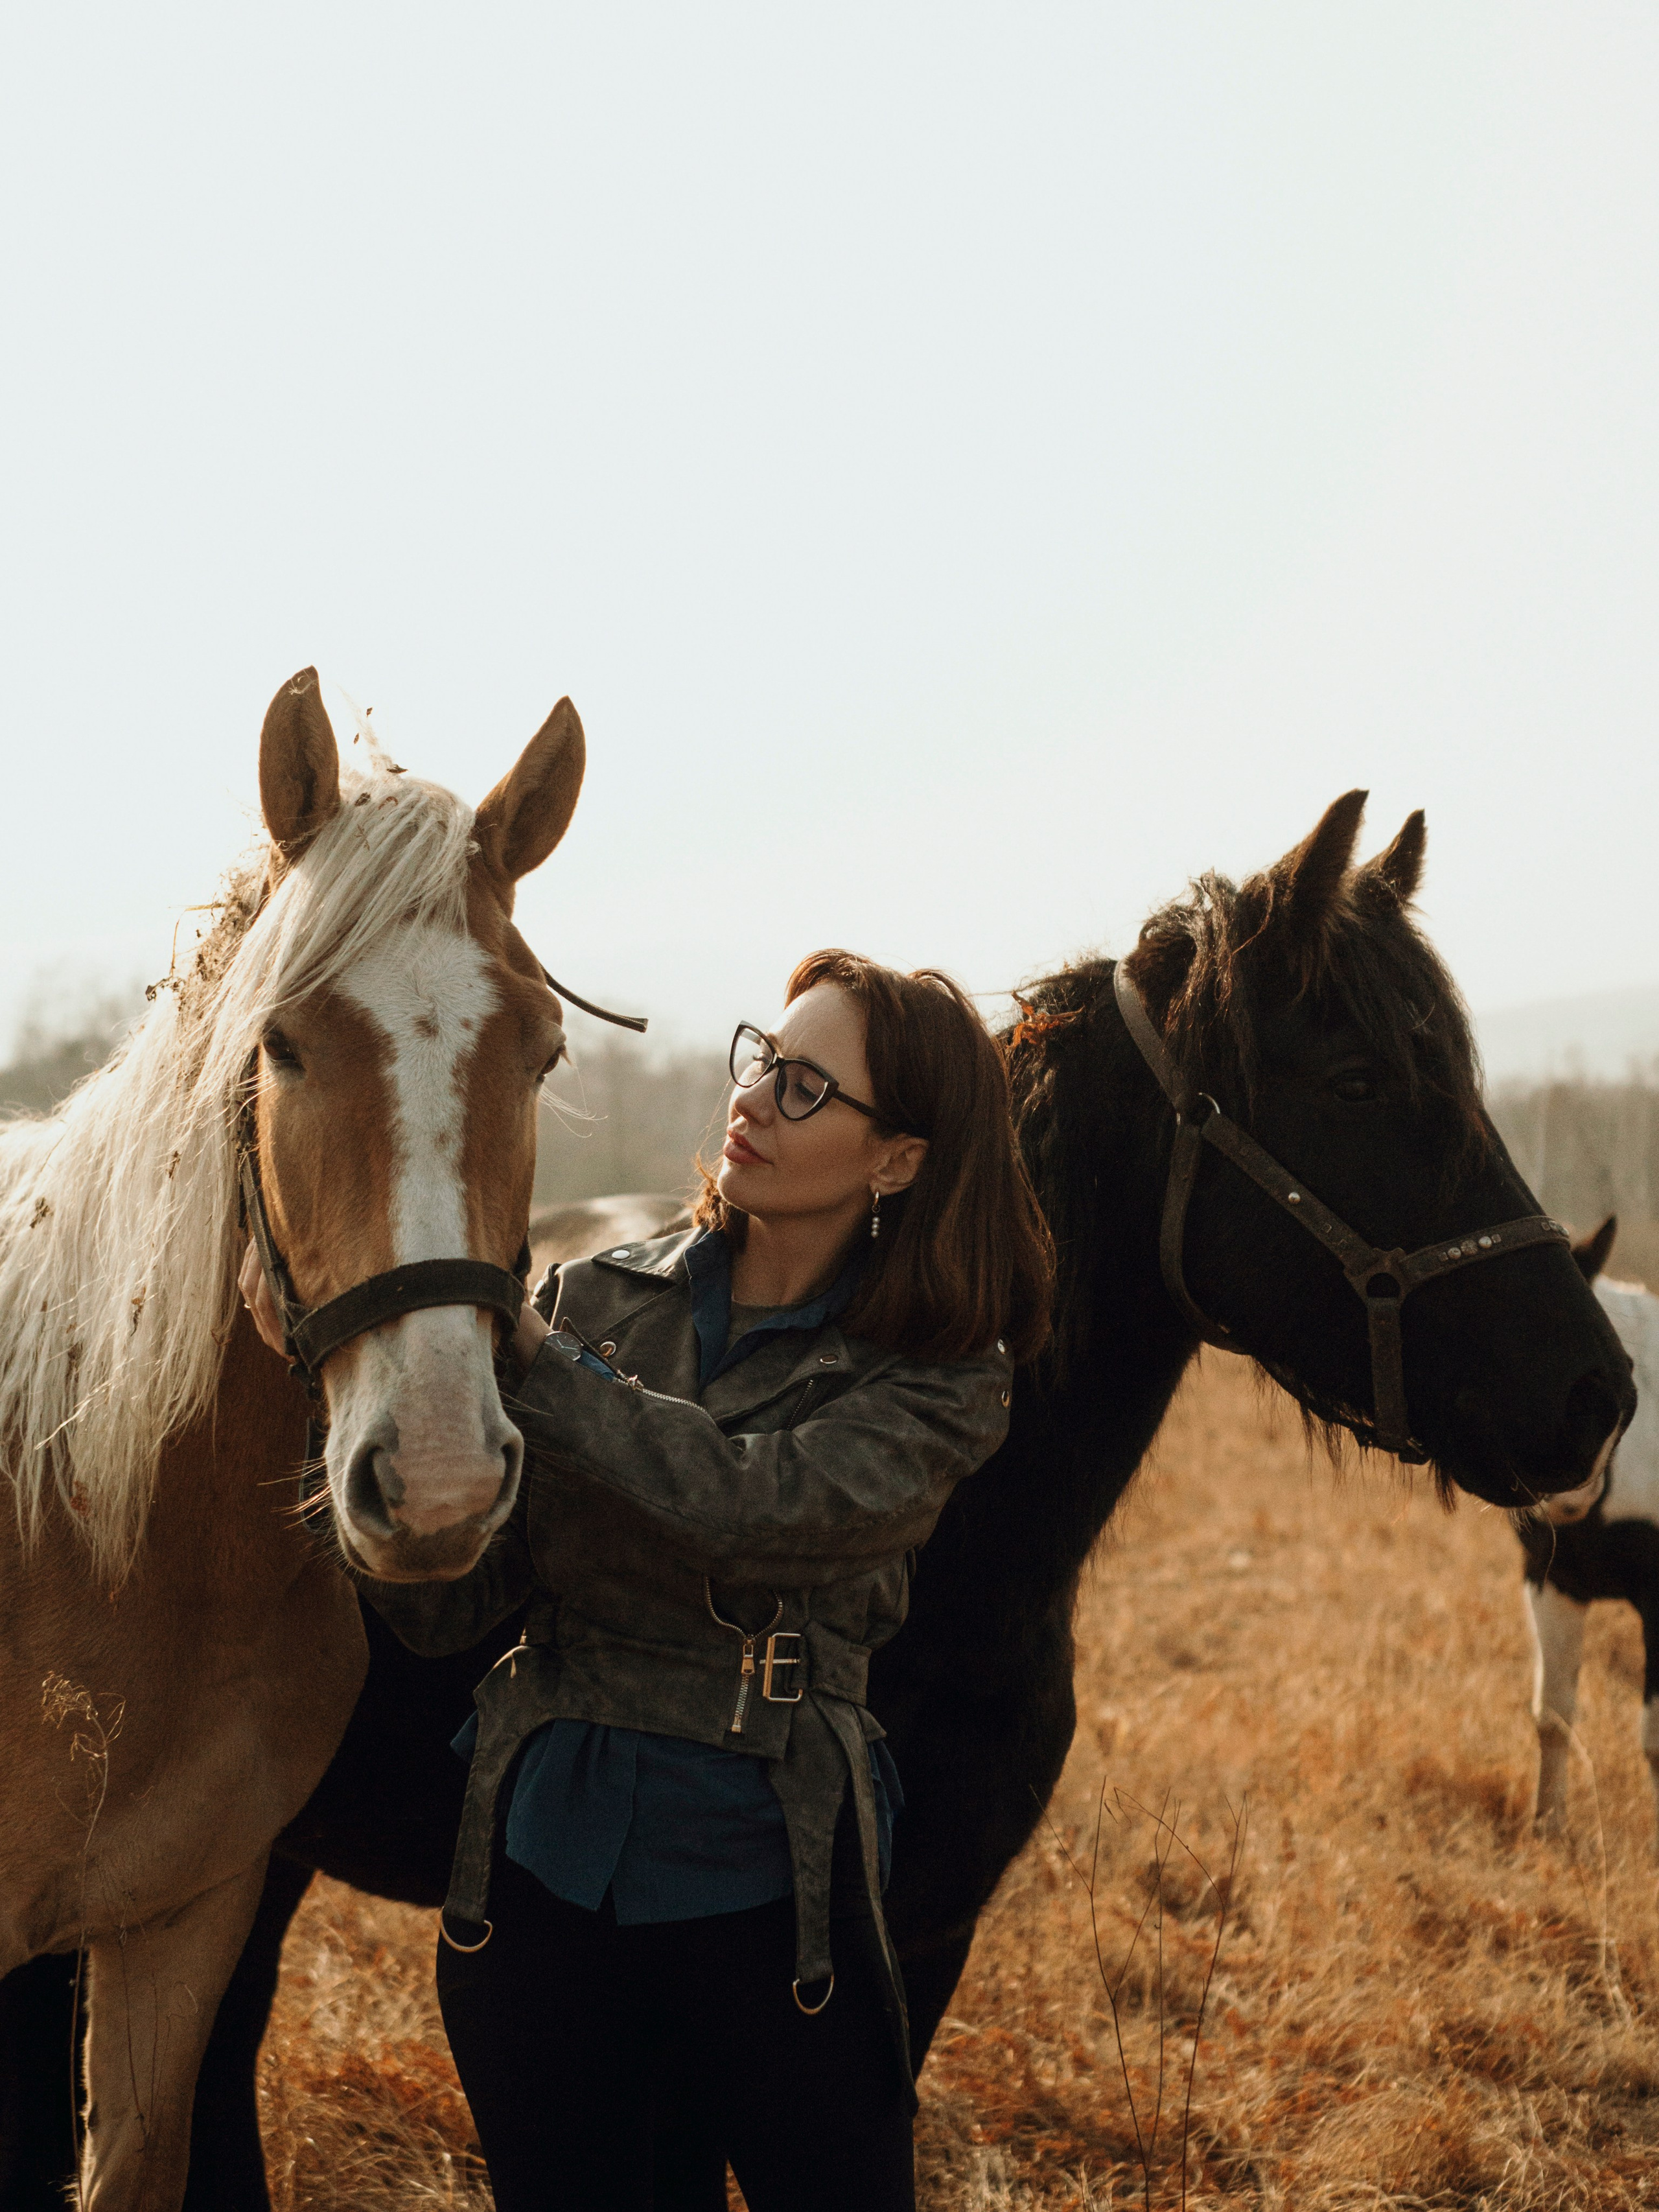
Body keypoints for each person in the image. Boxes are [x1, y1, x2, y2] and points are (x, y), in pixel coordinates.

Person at [253, 948, 1052, 2210]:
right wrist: (363, 1420)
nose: (752, 1098)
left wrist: (545, 1375)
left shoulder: (941, 1375)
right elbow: (455, 1609)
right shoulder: (591, 1299)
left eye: (804, 1088)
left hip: (773, 1898)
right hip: (537, 1884)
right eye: (759, 1060)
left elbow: (757, 1514)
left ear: (895, 1158)